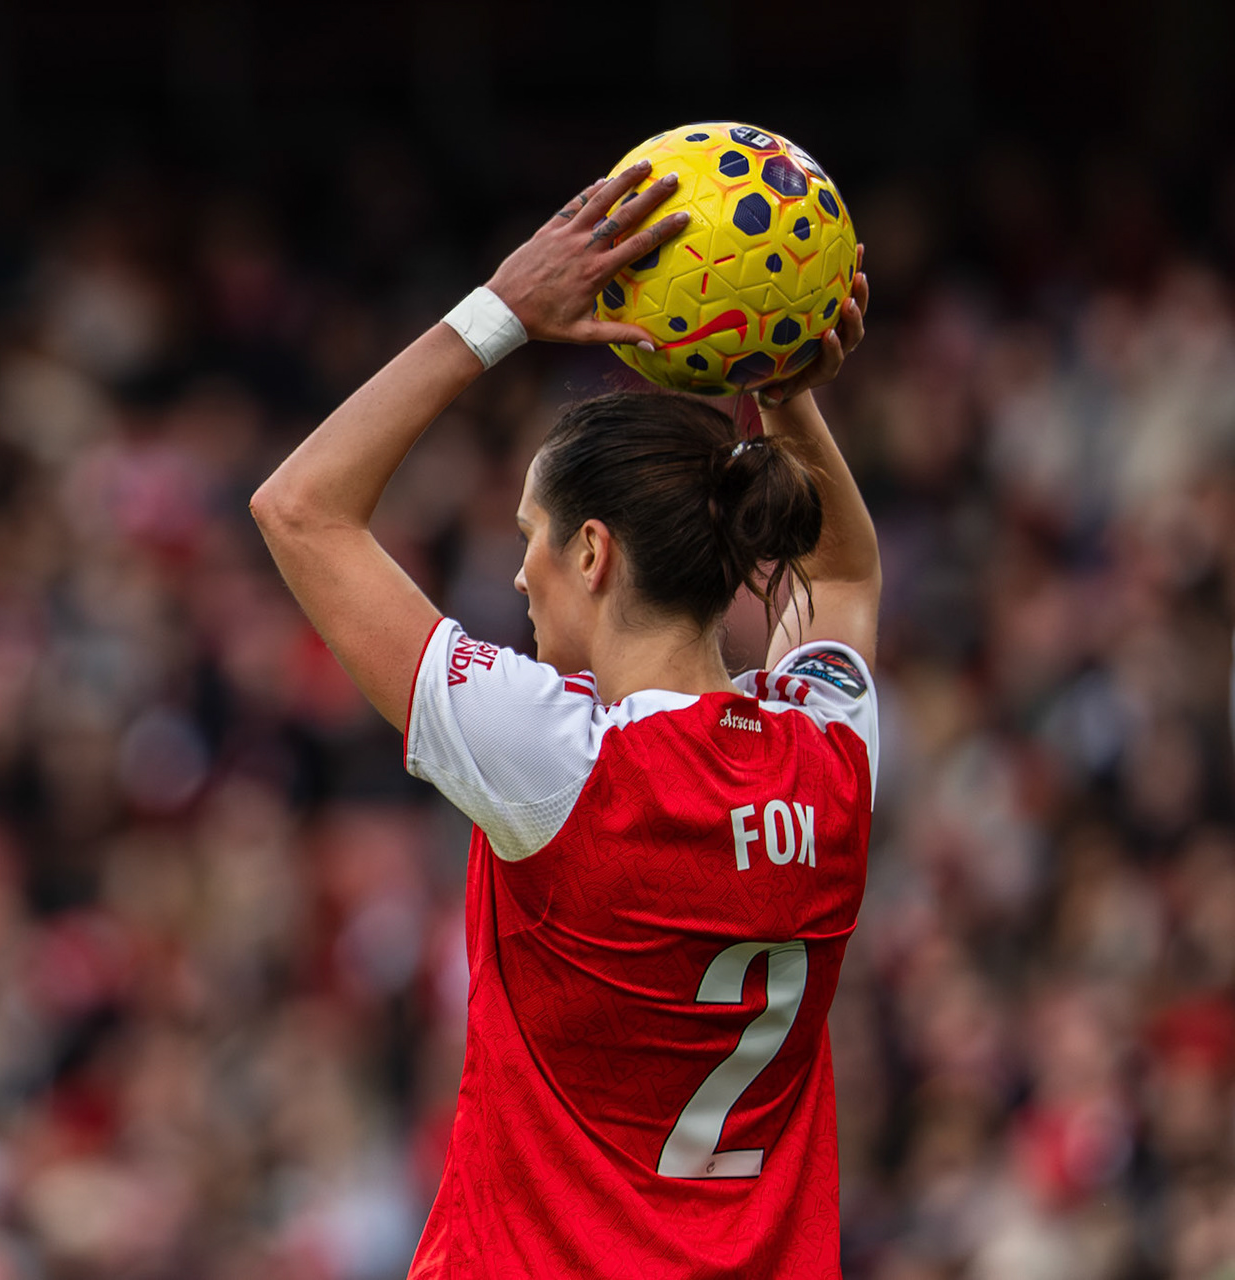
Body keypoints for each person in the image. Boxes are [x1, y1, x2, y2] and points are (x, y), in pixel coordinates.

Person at [250, 158, 877, 1277]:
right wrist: (782, 384)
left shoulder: (559, 760)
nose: (518, 571)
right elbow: (844, 574)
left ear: (592, 552)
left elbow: (299, 508)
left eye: (530, 535)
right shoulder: (828, 756)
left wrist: (502, 311)